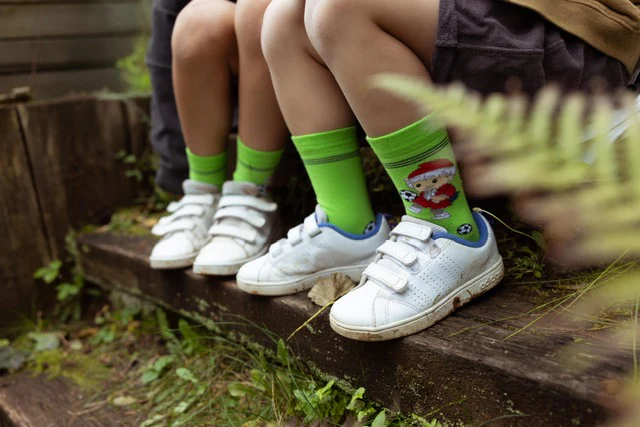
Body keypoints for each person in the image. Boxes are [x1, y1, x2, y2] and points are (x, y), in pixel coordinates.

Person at [236, 0, 639, 340]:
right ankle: (346, 223)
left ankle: (451, 229)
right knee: (283, 18)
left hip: (570, 34)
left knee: (341, 5)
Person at [149, 0, 290, 275]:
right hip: (240, 81)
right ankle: (204, 191)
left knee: (261, 10)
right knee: (198, 20)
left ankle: (252, 190)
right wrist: (176, 173)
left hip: (307, 61)